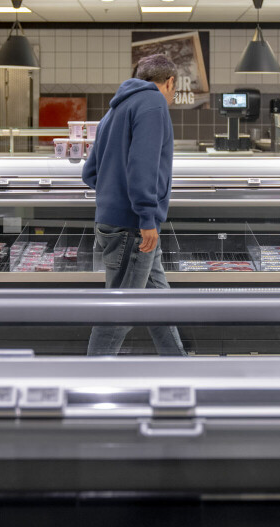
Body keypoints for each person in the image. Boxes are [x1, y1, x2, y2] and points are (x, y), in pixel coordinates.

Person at [82, 54, 186, 356]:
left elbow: (90, 172)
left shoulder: (115, 109)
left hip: (115, 222)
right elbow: (143, 166)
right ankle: (90, 377)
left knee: (158, 302)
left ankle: (179, 367)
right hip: (134, 227)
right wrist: (146, 217)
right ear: (170, 82)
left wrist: (114, 196)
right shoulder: (153, 104)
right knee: (120, 312)